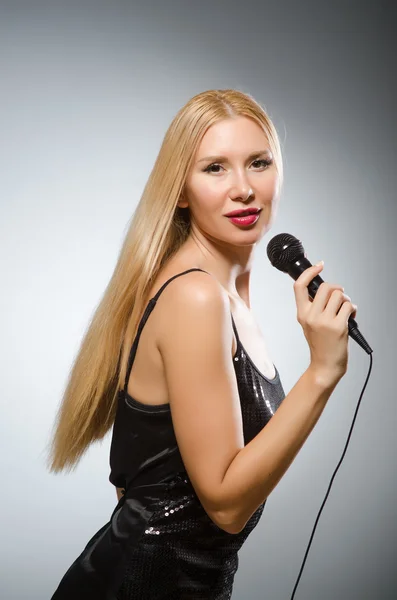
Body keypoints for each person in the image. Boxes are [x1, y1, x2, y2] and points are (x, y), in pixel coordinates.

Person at [47, 89, 357, 599]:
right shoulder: (195, 296)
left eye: (259, 163)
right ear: (182, 190)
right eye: (215, 168)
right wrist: (322, 372)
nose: (244, 189)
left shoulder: (223, 291)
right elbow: (226, 506)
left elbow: (141, 473)